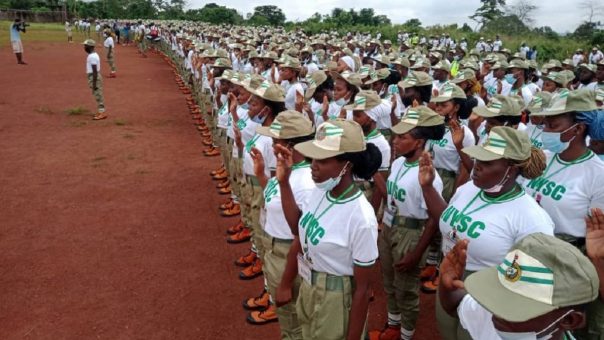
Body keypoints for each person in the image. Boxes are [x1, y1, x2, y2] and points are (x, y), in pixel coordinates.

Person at [420, 126, 555, 340]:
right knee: (447, 332)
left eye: (487, 162)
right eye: (478, 159)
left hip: (489, 293)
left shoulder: (531, 218)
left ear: (511, 169)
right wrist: (428, 188)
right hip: (449, 279)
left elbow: (534, 286)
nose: (476, 167)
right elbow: (447, 220)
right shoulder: (468, 189)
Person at [276, 119, 382, 340]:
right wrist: (284, 182)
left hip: (335, 298)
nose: (313, 165)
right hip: (309, 286)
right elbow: (298, 227)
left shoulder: (361, 217)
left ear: (347, 165)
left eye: (322, 160)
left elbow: (363, 290)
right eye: (313, 157)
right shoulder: (321, 191)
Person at [524, 89, 604, 339]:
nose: (545, 129)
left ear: (578, 129)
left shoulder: (597, 175)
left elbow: (597, 237)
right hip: (529, 252)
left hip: (568, 262)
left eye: (552, 124)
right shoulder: (543, 159)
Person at [439, 228, 602, 340]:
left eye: (516, 308)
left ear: (569, 320)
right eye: (501, 296)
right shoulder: (497, 318)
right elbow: (457, 306)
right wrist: (446, 287)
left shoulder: (503, 323)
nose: (497, 311)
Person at [376, 106, 446, 340]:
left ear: (419, 142)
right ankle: (393, 325)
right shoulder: (397, 164)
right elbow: (391, 197)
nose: (395, 141)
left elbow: (434, 219)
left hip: (411, 232)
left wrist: (417, 253)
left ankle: (406, 334)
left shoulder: (427, 176)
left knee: (406, 289)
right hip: (390, 226)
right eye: (396, 136)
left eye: (403, 137)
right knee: (389, 282)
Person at [245, 111, 316, 334]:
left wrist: (286, 282)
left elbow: (301, 236)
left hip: (288, 254)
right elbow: (278, 202)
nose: (272, 144)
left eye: (276, 141)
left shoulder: (306, 182)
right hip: (275, 249)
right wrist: (262, 177)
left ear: (290, 145)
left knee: (293, 324)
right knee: (289, 320)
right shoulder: (287, 171)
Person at [83, 39, 106, 120]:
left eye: (85, 46)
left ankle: (102, 112)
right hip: (93, 76)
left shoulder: (92, 56)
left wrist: (94, 83)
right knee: (97, 94)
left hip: (94, 76)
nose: (84, 47)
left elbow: (95, 71)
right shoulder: (93, 55)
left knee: (98, 94)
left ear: (90, 47)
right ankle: (100, 111)